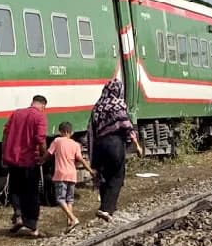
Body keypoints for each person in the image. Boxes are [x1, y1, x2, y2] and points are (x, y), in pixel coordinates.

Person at [88, 80, 144, 222]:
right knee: (117, 176)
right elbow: (126, 125)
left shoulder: (97, 106)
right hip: (114, 144)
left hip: (99, 146)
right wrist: (136, 145)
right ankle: (106, 209)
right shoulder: (117, 105)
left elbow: (91, 130)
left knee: (104, 176)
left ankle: (105, 206)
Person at [2, 95, 49, 236]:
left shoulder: (16, 113)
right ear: (43, 106)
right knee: (31, 193)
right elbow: (40, 139)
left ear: (32, 103)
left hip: (13, 159)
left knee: (15, 189)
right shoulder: (40, 117)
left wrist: (4, 154)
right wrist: (44, 156)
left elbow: (5, 134)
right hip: (29, 160)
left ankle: (18, 215)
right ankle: (32, 225)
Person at [48, 121, 95, 232]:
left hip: (61, 174)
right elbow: (81, 159)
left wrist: (41, 160)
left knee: (60, 199)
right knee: (70, 199)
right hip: (72, 175)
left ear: (61, 132)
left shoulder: (57, 141)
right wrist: (90, 170)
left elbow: (49, 153)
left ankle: (73, 219)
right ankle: (69, 223)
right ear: (71, 132)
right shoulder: (75, 144)